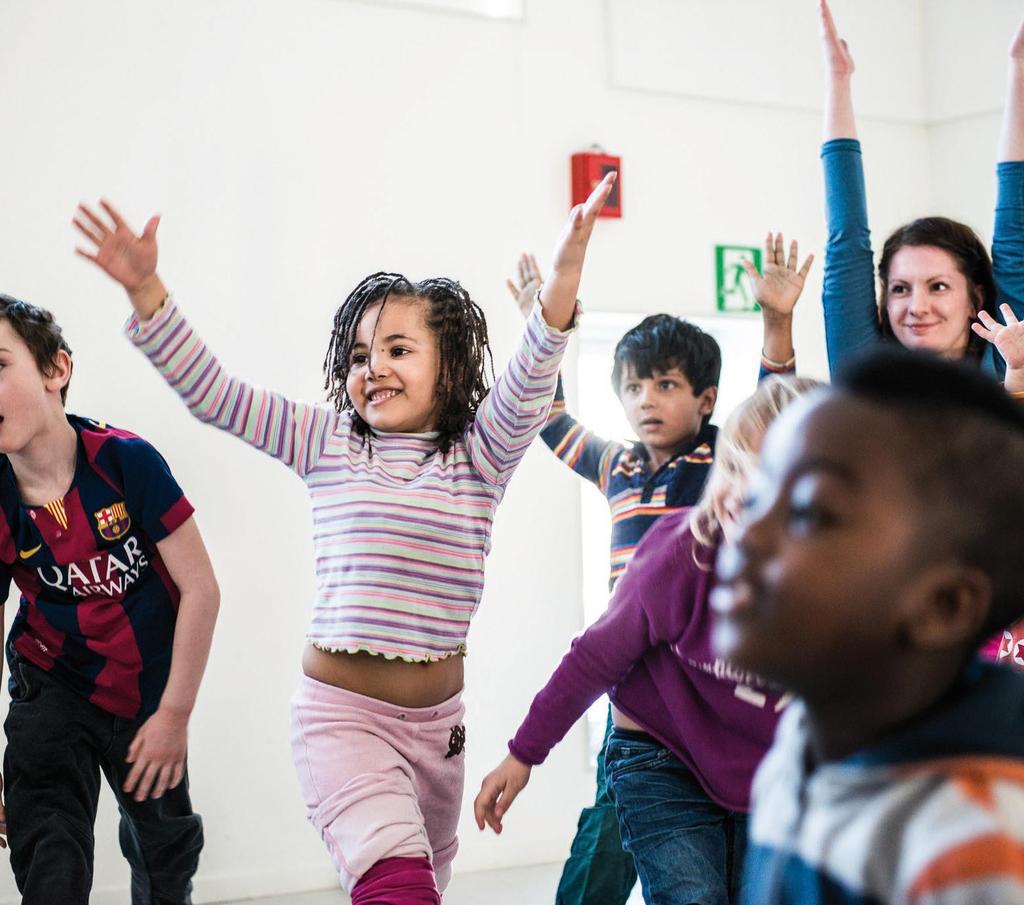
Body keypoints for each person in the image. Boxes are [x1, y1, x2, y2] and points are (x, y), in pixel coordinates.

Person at [72, 172, 615, 904]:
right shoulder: (327, 440)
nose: (373, 369)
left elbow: (527, 377)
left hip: (440, 734)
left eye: (398, 349)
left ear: (449, 367)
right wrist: (147, 292)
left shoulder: (479, 455)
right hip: (341, 719)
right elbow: (217, 396)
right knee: (399, 890)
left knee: (424, 884)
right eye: (359, 356)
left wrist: (563, 279)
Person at [504, 235, 812, 905]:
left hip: (709, 678)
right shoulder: (616, 463)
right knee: (613, 829)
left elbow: (777, 414)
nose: (647, 400)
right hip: (639, 677)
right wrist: (542, 328)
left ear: (705, 400)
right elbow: (546, 417)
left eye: (666, 385)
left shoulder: (719, 462)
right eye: (633, 387)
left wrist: (778, 324)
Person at [713, 348, 1024, 904]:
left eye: (809, 511)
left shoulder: (978, 848)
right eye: (760, 497)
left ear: (944, 605)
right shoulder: (804, 739)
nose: (748, 534)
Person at [0, 293, 218, 904]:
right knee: (49, 850)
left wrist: (173, 715)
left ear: (55, 370)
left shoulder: (126, 462)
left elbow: (202, 590)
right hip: (50, 680)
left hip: (145, 693)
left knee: (166, 856)